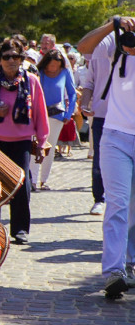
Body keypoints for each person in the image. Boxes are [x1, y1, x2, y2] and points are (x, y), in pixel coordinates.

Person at [76, 16, 135, 296]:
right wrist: (113, 25)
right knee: (117, 204)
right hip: (115, 136)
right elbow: (83, 46)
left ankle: (131, 264)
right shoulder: (117, 42)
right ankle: (114, 271)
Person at [0, 37, 50, 245]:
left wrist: (42, 143)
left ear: (22, 59)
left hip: (21, 140)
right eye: (6, 57)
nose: (11, 61)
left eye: (15, 56)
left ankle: (20, 229)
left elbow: (40, 113)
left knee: (22, 183)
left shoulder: (31, 81)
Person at [76, 25, 110, 215]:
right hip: (101, 115)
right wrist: (85, 103)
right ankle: (99, 198)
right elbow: (89, 82)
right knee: (99, 158)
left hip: (128, 117)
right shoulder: (100, 49)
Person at [33, 48, 76, 189]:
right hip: (39, 114)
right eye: (51, 65)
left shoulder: (65, 73)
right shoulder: (40, 73)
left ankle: (44, 180)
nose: (53, 68)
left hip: (57, 115)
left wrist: (69, 114)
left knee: (49, 148)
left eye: (56, 66)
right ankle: (32, 179)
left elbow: (72, 94)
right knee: (36, 146)